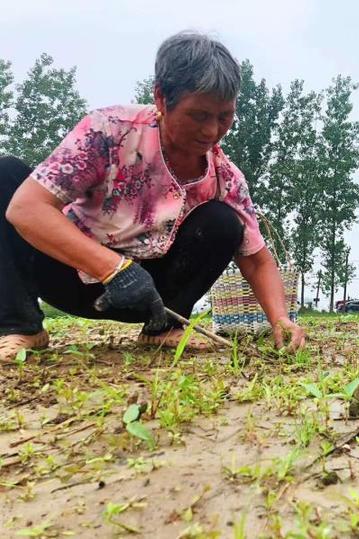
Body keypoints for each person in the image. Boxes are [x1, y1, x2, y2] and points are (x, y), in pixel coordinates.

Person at [0, 31, 306, 361]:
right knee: (7, 175)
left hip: (152, 300)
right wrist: (114, 269)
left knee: (223, 222)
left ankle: (162, 331)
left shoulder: (225, 176)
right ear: (161, 98)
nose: (212, 131)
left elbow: (257, 259)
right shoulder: (108, 132)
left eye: (224, 116)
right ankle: (21, 325)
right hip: (69, 275)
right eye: (199, 115)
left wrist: (280, 319)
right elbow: (26, 209)